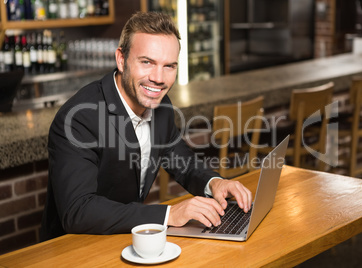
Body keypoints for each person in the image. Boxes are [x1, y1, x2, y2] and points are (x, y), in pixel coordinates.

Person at [40, 11, 252, 241]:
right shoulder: (78, 118)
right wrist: (170, 213)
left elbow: (181, 160)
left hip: (127, 238)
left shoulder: (161, 106)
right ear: (121, 60)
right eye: (147, 62)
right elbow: (78, 210)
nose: (159, 78)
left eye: (169, 66)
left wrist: (215, 183)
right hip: (74, 248)